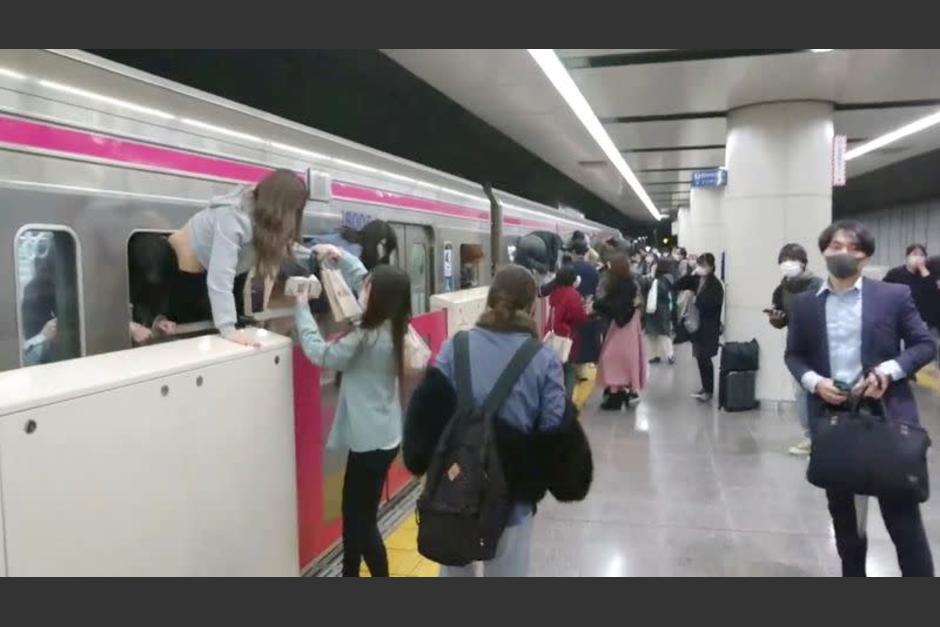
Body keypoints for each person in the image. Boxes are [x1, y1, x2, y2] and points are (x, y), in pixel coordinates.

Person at [403, 264, 592, 577]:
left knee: (453, 573)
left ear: (489, 301)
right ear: (532, 307)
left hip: (455, 489)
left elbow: (427, 414)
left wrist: (422, 462)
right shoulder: (543, 360)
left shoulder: (455, 347)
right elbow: (555, 432)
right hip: (512, 496)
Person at [784, 220, 936, 577]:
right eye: (835, 245)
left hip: (888, 418)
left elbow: (924, 344)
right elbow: (795, 355)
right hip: (835, 420)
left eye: (852, 247)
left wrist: (888, 371)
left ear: (865, 257)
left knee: (904, 521)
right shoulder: (806, 305)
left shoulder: (892, 296)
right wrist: (815, 382)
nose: (843, 253)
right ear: (823, 252)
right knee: (846, 523)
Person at [293, 243, 411, 577]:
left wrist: (301, 308)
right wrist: (341, 257)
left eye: (367, 287)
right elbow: (367, 278)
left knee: (362, 522)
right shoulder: (397, 322)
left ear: (377, 296)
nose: (362, 287)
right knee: (356, 513)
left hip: (370, 443)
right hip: (385, 435)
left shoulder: (366, 337)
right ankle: (349, 572)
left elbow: (320, 354)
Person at [166, 169, 308, 346]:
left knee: (226, 322)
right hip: (188, 263)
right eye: (294, 209)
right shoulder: (232, 217)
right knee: (200, 327)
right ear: (282, 206)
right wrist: (228, 329)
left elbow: (286, 246)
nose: (294, 216)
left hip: (222, 270)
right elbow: (220, 277)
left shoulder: (265, 219)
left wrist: (317, 251)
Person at [765, 243, 824, 456]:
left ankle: (826, 437)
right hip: (797, 348)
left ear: (803, 263)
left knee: (822, 393)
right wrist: (776, 319)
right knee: (801, 393)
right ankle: (810, 437)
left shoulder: (818, 285)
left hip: (821, 346)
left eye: (792, 260)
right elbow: (781, 319)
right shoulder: (781, 289)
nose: (787, 265)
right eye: (783, 261)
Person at [593, 254, 646, 409]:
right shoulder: (625, 283)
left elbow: (615, 305)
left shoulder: (625, 284)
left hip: (625, 325)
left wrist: (596, 306)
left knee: (612, 357)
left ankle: (617, 392)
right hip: (624, 323)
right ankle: (617, 389)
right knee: (619, 358)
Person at [680, 253, 723, 401]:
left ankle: (709, 390)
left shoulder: (715, 285)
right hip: (698, 326)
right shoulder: (699, 281)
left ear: (711, 267)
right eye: (699, 265)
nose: (700, 268)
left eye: (703, 265)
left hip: (709, 326)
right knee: (700, 357)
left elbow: (711, 304)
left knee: (705, 358)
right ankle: (705, 388)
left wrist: (696, 300)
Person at [547, 264, 589, 396]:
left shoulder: (555, 293)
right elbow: (579, 317)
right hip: (568, 336)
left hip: (553, 334)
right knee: (569, 370)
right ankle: (567, 401)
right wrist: (586, 311)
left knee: (555, 370)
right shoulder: (573, 294)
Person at [884, 244, 937, 333]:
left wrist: (922, 269)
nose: (918, 258)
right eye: (915, 254)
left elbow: (933, 289)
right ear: (907, 257)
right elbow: (884, 290)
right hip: (901, 319)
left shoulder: (928, 273)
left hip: (924, 321)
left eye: (922, 255)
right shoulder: (895, 273)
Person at [645, 263, 675, 365]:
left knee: (658, 334)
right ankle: (661, 355)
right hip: (661, 309)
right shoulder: (668, 279)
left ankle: (665, 354)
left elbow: (660, 291)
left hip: (656, 309)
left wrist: (652, 279)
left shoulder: (661, 280)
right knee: (660, 333)